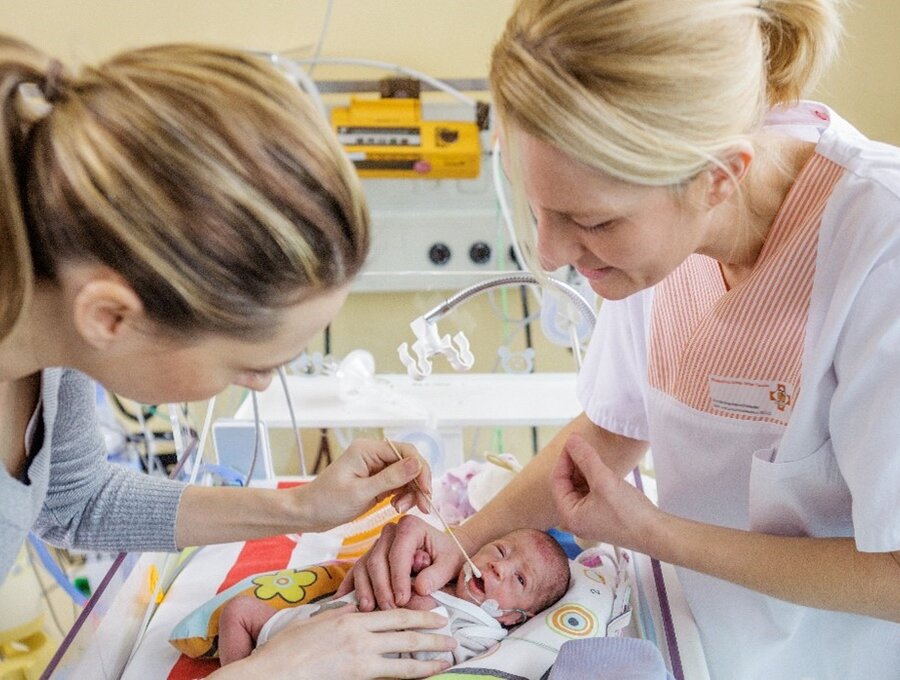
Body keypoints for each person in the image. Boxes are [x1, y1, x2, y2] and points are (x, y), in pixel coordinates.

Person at [339, 1, 900, 678]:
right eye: (539, 210)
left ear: (720, 177)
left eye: (591, 222)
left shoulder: (878, 253)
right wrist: (460, 538)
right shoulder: (656, 246)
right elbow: (609, 432)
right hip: (683, 640)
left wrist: (652, 533)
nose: (548, 254)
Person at [0, 36, 457, 679]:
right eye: (252, 365)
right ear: (110, 317)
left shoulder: (47, 322)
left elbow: (72, 500)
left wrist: (300, 510)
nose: (264, 386)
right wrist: (274, 670)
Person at [214, 528, 570, 667]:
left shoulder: (482, 631)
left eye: (519, 578)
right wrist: (414, 568)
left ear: (514, 618)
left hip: (333, 664)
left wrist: (419, 604)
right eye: (500, 550)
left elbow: (447, 661)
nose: (498, 567)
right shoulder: (441, 574)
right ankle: (241, 670)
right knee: (240, 610)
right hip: (301, 625)